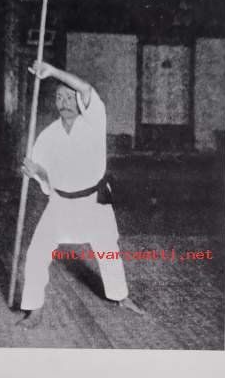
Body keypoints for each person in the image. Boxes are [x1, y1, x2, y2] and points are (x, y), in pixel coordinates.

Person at [18, 61, 143, 328]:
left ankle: (121, 297)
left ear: (79, 100)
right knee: (37, 252)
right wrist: (34, 170)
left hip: (92, 202)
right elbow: (45, 176)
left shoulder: (94, 122)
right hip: (60, 203)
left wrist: (52, 72)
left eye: (69, 96)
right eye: (59, 97)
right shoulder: (47, 136)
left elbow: (86, 88)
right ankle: (33, 309)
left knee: (108, 251)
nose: (64, 102)